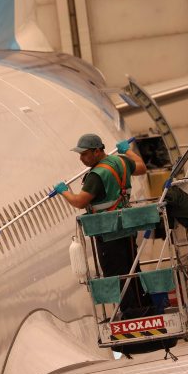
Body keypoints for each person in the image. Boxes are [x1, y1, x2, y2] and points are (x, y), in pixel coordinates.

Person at [54, 133, 152, 319]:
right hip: (127, 227)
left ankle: (131, 314)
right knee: (132, 269)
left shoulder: (97, 175)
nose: (81, 158)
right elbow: (141, 167)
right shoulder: (121, 161)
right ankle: (144, 307)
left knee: (117, 275)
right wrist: (128, 151)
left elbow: (80, 202)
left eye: (84, 154)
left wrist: (64, 192)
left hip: (108, 232)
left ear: (97, 151)